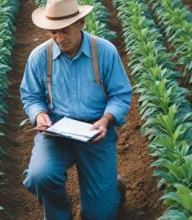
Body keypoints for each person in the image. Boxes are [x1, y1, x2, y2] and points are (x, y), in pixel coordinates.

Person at [20, 0, 132, 219]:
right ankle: (60, 214)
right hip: (57, 132)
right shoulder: (39, 57)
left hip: (95, 132)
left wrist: (106, 119)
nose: (59, 38)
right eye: (53, 32)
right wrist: (40, 114)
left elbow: (120, 95)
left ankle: (112, 192)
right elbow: (31, 96)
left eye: (65, 31)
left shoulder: (104, 52)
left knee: (99, 215)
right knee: (39, 176)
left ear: (81, 23)